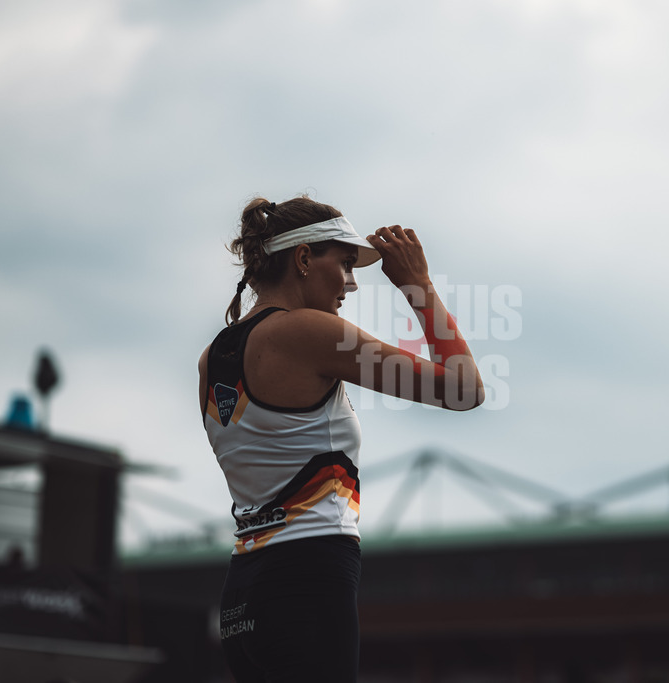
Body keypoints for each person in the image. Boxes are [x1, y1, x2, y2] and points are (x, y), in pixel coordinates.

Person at [199, 195, 483, 681]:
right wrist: (418, 285)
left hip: (244, 591)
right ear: (304, 259)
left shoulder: (213, 355)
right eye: (346, 265)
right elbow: (464, 388)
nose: (351, 285)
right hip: (308, 576)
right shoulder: (309, 331)